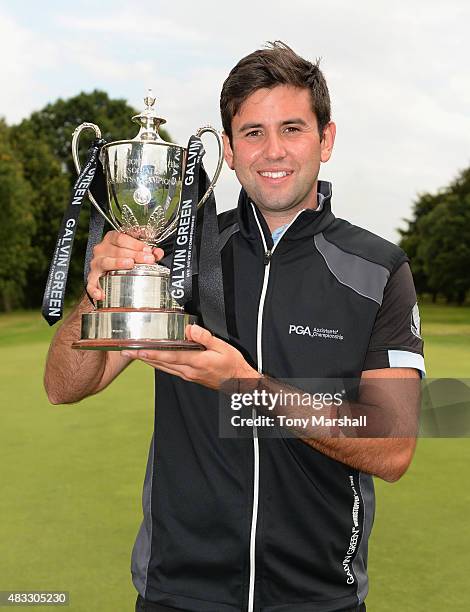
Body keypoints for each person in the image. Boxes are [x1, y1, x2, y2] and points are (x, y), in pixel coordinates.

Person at [45, 42, 425, 612]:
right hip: (177, 592)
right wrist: (95, 295)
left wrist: (244, 388)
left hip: (318, 596)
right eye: (252, 133)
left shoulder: (379, 269)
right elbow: (64, 385)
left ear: (326, 138)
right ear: (227, 149)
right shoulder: (179, 255)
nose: (272, 150)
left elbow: (393, 448)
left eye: (292, 128)